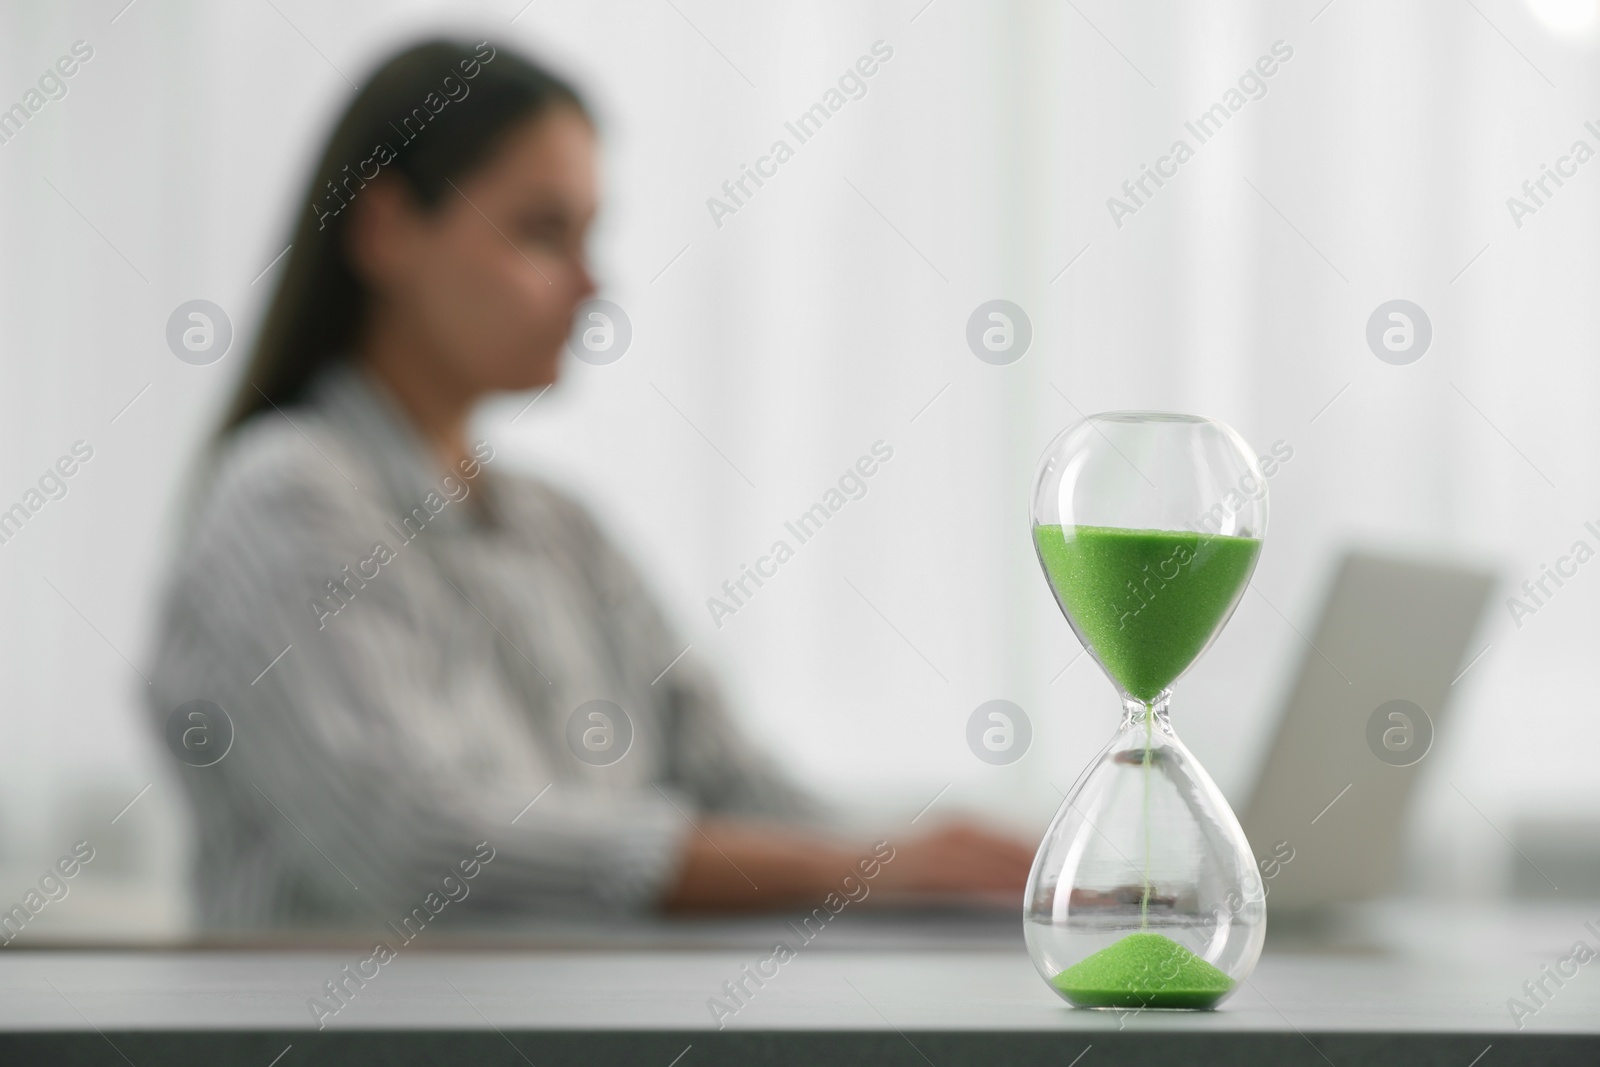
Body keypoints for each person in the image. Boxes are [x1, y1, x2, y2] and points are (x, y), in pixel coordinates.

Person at [148, 38, 1032, 931]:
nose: (590, 285)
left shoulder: (558, 529)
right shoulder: (285, 498)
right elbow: (412, 844)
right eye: (541, 232)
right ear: (385, 231)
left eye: (587, 236)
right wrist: (846, 868)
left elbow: (735, 784)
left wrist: (953, 865)